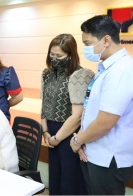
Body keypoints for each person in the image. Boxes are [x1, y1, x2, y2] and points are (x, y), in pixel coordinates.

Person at [70, 15, 133, 195]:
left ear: (106, 40)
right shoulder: (107, 67)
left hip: (109, 159)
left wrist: (77, 140)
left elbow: (106, 121)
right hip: (95, 151)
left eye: (88, 43)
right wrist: (84, 142)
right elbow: (92, 111)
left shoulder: (122, 70)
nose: (86, 49)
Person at [41, 34, 94, 195]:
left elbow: (77, 116)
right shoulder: (47, 74)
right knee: (55, 177)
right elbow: (45, 104)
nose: (54, 59)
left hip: (69, 133)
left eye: (59, 56)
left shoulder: (79, 75)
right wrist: (45, 131)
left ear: (70, 55)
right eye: (52, 54)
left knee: (70, 181)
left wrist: (57, 138)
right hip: (50, 131)